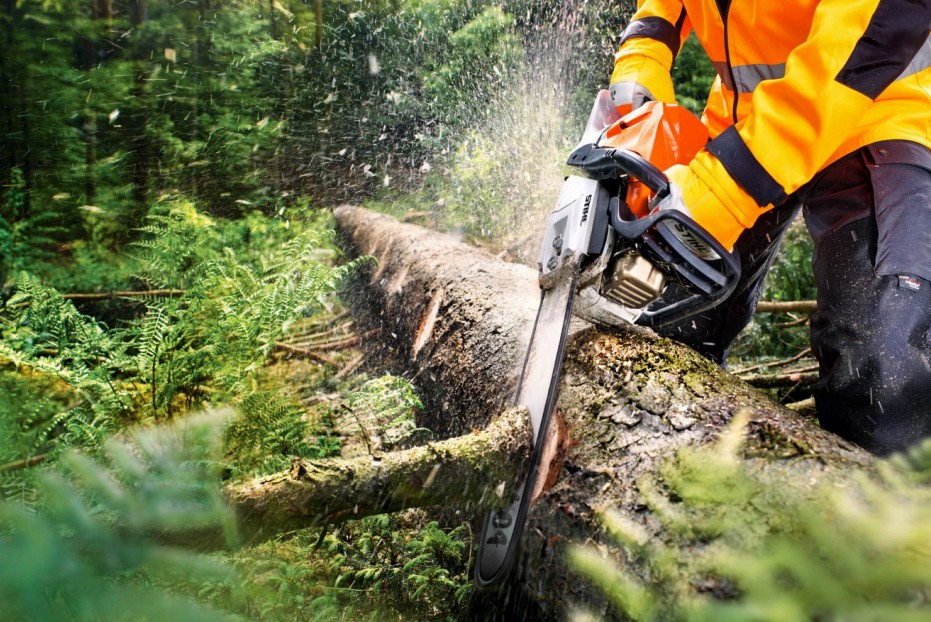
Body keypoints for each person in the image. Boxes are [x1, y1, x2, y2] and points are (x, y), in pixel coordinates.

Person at [609, 0, 931, 455]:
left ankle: (881, 518)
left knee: (884, 366)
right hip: (750, 120)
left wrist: (725, 188)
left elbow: (878, 24)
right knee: (671, 319)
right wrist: (645, 52)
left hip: (879, 114)